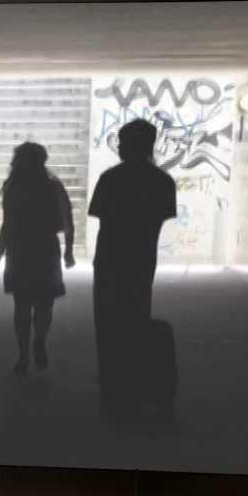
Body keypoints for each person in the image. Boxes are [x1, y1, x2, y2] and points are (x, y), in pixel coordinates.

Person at [88, 119, 177, 420]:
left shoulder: (110, 179)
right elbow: (160, 219)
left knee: (106, 315)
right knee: (137, 311)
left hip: (109, 258)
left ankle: (110, 373)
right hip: (142, 259)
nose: (119, 148)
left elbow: (101, 215)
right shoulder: (163, 182)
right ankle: (134, 372)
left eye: (122, 143)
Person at [0, 142, 76, 375]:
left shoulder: (13, 189)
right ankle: (40, 341)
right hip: (46, 250)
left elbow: (7, 226)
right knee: (45, 303)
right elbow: (68, 221)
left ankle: (23, 354)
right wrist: (68, 251)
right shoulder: (53, 187)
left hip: (20, 251)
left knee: (22, 305)